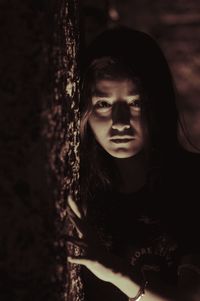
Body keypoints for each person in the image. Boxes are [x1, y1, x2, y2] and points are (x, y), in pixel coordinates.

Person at [67, 27, 200, 301]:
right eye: (103, 103)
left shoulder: (192, 182)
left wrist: (117, 273)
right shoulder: (79, 191)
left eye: (135, 102)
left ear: (156, 103)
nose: (119, 122)